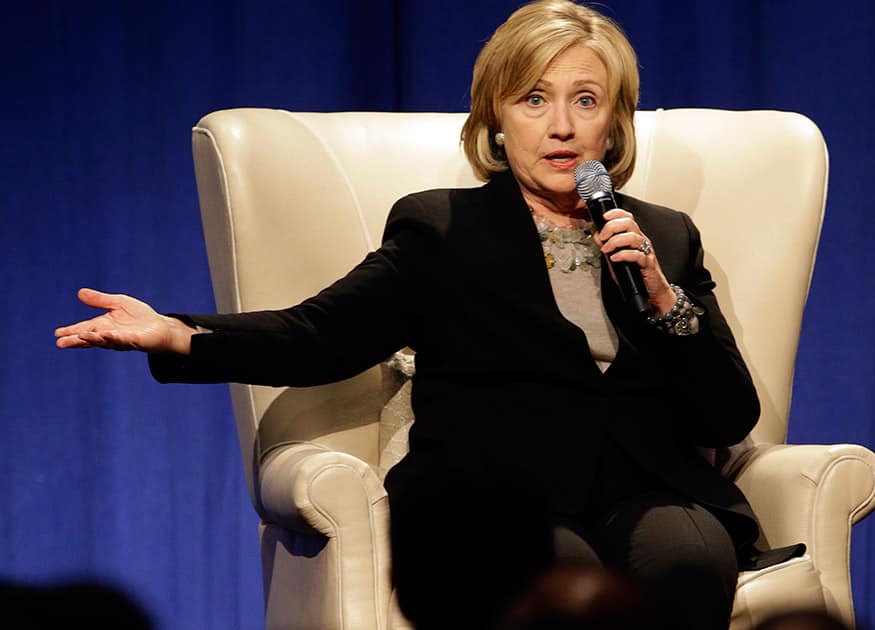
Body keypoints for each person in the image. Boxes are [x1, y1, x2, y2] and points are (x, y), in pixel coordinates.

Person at [56, 1, 803, 627]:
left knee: (693, 560)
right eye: (534, 99)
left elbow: (727, 415)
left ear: (614, 124)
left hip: (649, 487)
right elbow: (321, 336)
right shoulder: (443, 229)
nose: (562, 126)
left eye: (586, 100)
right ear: (497, 119)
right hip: (500, 497)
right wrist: (183, 335)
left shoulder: (663, 236)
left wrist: (666, 300)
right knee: (553, 587)